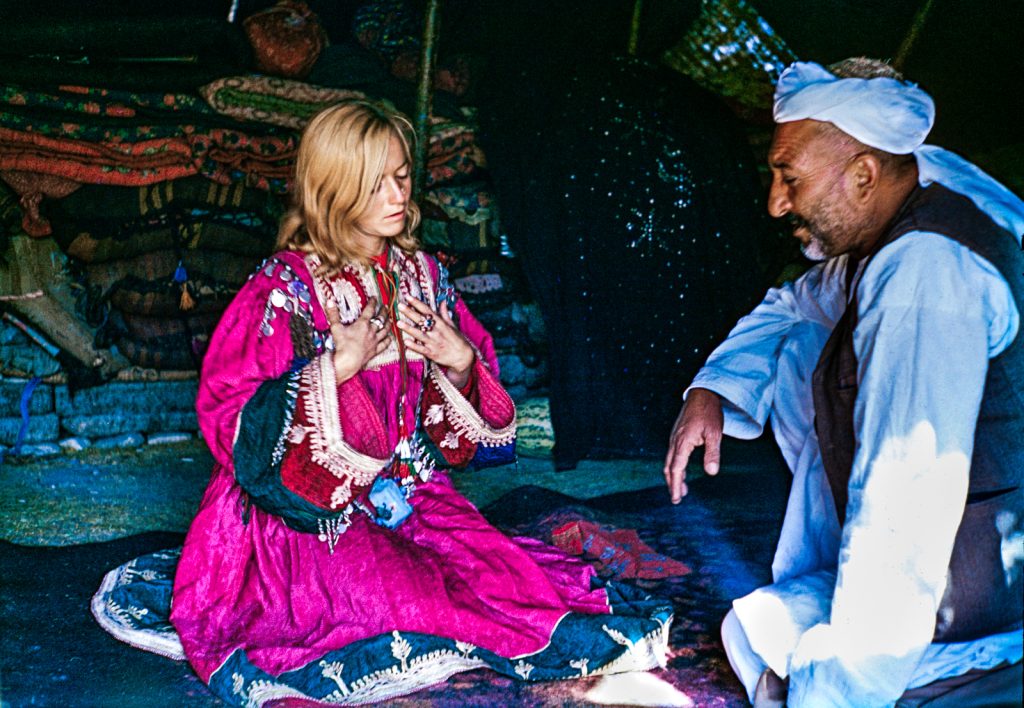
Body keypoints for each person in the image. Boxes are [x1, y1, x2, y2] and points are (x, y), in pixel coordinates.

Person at [92, 100, 671, 705]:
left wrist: (459, 360)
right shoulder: (286, 290)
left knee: (505, 581)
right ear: (335, 188)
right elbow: (228, 415)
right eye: (376, 184)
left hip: (411, 495)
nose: (398, 195)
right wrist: (335, 367)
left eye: (401, 176)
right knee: (409, 600)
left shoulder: (422, 275)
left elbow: (474, 443)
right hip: (305, 516)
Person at [663, 58, 1024, 706]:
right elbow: (791, 305)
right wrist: (711, 390)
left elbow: (905, 498)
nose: (776, 203)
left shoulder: (923, 274)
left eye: (790, 178)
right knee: (751, 628)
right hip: (955, 568)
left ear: (863, 175)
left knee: (808, 665)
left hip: (974, 591)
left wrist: (839, 688)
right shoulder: (903, 212)